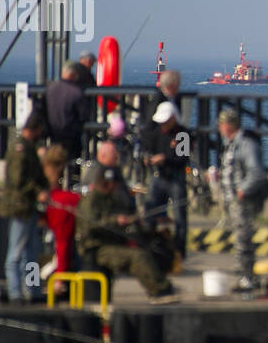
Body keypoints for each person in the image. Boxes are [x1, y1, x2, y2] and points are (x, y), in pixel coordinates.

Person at [76, 166, 179, 303]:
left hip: (112, 242)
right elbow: (90, 224)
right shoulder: (91, 200)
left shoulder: (110, 198)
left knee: (150, 249)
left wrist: (133, 221)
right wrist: (116, 221)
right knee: (137, 257)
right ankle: (159, 291)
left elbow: (124, 216)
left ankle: (161, 284)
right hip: (96, 247)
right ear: (107, 183)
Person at [0, 111, 50, 304]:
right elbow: (19, 178)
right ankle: (15, 293)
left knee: (31, 252)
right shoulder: (20, 149)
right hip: (20, 206)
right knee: (16, 252)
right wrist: (38, 191)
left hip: (29, 207)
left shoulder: (30, 148)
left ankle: (33, 290)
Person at [217, 109, 268, 291]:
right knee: (239, 240)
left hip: (243, 202)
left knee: (243, 240)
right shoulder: (231, 144)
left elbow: (257, 172)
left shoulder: (246, 144)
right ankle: (244, 275)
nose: (219, 128)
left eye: (221, 124)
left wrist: (242, 190)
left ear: (228, 125)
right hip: (233, 201)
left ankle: (248, 278)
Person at [141, 101, 191, 257]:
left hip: (176, 177)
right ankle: (151, 245)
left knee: (179, 216)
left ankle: (179, 250)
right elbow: (148, 147)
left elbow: (183, 159)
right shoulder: (157, 133)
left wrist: (165, 159)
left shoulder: (182, 134)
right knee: (151, 212)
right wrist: (148, 159)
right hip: (159, 176)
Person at [42, 144, 78, 298]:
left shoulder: (43, 173)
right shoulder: (61, 199)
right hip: (48, 210)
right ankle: (34, 285)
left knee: (29, 253)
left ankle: (30, 286)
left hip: (37, 212)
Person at [44, 61, 89, 167]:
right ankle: (73, 181)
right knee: (73, 163)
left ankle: (57, 181)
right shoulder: (76, 92)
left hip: (53, 134)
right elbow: (84, 115)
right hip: (71, 135)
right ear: (73, 74)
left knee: (55, 162)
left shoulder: (50, 89)